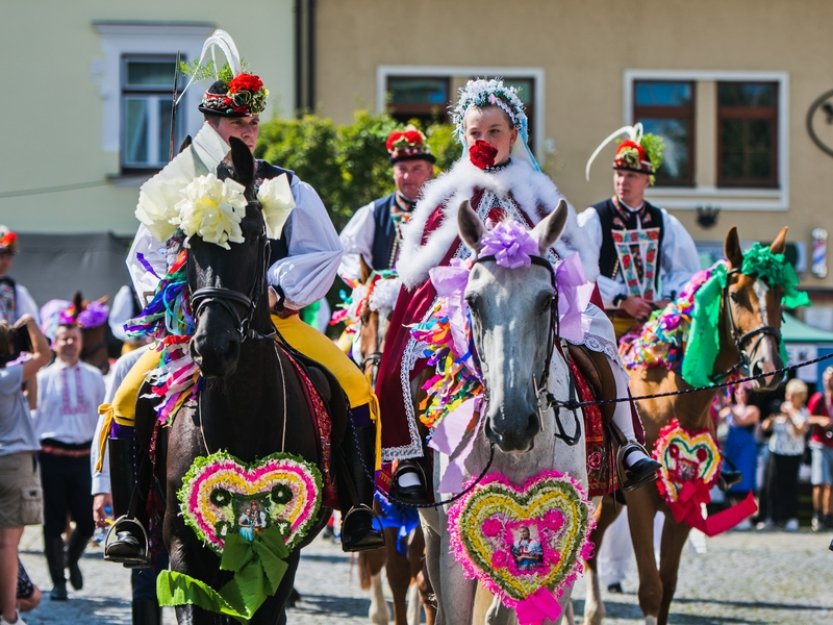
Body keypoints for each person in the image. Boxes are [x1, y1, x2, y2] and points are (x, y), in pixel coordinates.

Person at [102, 29, 382, 560]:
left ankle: (357, 507)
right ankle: (130, 518)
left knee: (352, 385)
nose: (248, 132)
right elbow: (144, 255)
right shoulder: (175, 182)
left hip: (273, 321)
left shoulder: (287, 185)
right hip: (194, 324)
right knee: (124, 396)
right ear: (211, 125)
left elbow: (325, 251)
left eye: (253, 123)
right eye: (237, 123)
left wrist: (278, 287)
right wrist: (176, 300)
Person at [375, 78, 660, 504]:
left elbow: (568, 253)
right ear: (464, 136)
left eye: (494, 132)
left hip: (535, 298)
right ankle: (412, 461)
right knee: (408, 350)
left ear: (513, 135)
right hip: (463, 300)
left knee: (601, 338)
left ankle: (626, 444)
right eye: (475, 133)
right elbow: (423, 266)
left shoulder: (537, 194)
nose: (485, 141)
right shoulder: (447, 196)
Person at [579, 125, 700, 338]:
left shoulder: (663, 221)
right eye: (619, 174)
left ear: (647, 180)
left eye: (631, 175)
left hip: (651, 325)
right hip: (604, 323)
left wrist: (665, 298)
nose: (622, 181)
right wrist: (622, 299)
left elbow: (686, 271)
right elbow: (579, 270)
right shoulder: (595, 218)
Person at [34, 322, 106, 600]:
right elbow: (33, 419)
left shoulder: (94, 376)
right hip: (51, 457)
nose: (69, 343)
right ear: (54, 343)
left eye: (73, 338)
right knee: (52, 523)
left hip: (84, 458)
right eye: (63, 338)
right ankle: (58, 583)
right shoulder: (42, 377)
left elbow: (104, 419)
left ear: (81, 342)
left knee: (88, 522)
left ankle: (71, 559)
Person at [337, 125, 435, 284]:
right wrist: (368, 285)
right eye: (401, 169)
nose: (408, 176)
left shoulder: (444, 209)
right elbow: (349, 252)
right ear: (393, 172)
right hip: (385, 302)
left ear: (430, 171)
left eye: (417, 169)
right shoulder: (374, 211)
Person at [0, 316, 49, 625]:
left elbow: (31, 399)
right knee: (8, 545)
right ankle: (8, 615)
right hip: (13, 462)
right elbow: (45, 355)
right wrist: (30, 323)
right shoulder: (7, 376)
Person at [757, 379, 809, 531]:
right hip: (776, 452)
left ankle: (791, 518)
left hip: (793, 454)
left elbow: (800, 430)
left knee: (790, 487)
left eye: (793, 396)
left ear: (801, 397)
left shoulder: (803, 412)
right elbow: (765, 428)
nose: (789, 399)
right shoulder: (779, 410)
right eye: (788, 395)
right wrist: (773, 417)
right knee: (770, 485)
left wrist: (791, 413)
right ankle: (768, 518)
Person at [718, 383, 761, 530]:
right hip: (732, 448)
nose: (739, 394)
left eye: (742, 392)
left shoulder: (753, 409)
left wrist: (730, 408)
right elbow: (717, 419)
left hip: (746, 450)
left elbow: (741, 421)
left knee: (746, 481)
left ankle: (747, 517)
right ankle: (734, 516)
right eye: (737, 392)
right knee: (731, 482)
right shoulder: (728, 410)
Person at [807, 366, 833, 531]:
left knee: (831, 484)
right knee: (819, 481)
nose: (829, 382)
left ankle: (828, 514)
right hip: (819, 443)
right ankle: (818, 515)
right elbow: (807, 418)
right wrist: (821, 420)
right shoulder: (818, 398)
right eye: (827, 379)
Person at [0, 228, 39, 326]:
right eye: (1, 256)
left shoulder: (14, 289)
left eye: (8, 257)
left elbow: (33, 322)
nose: (5, 262)